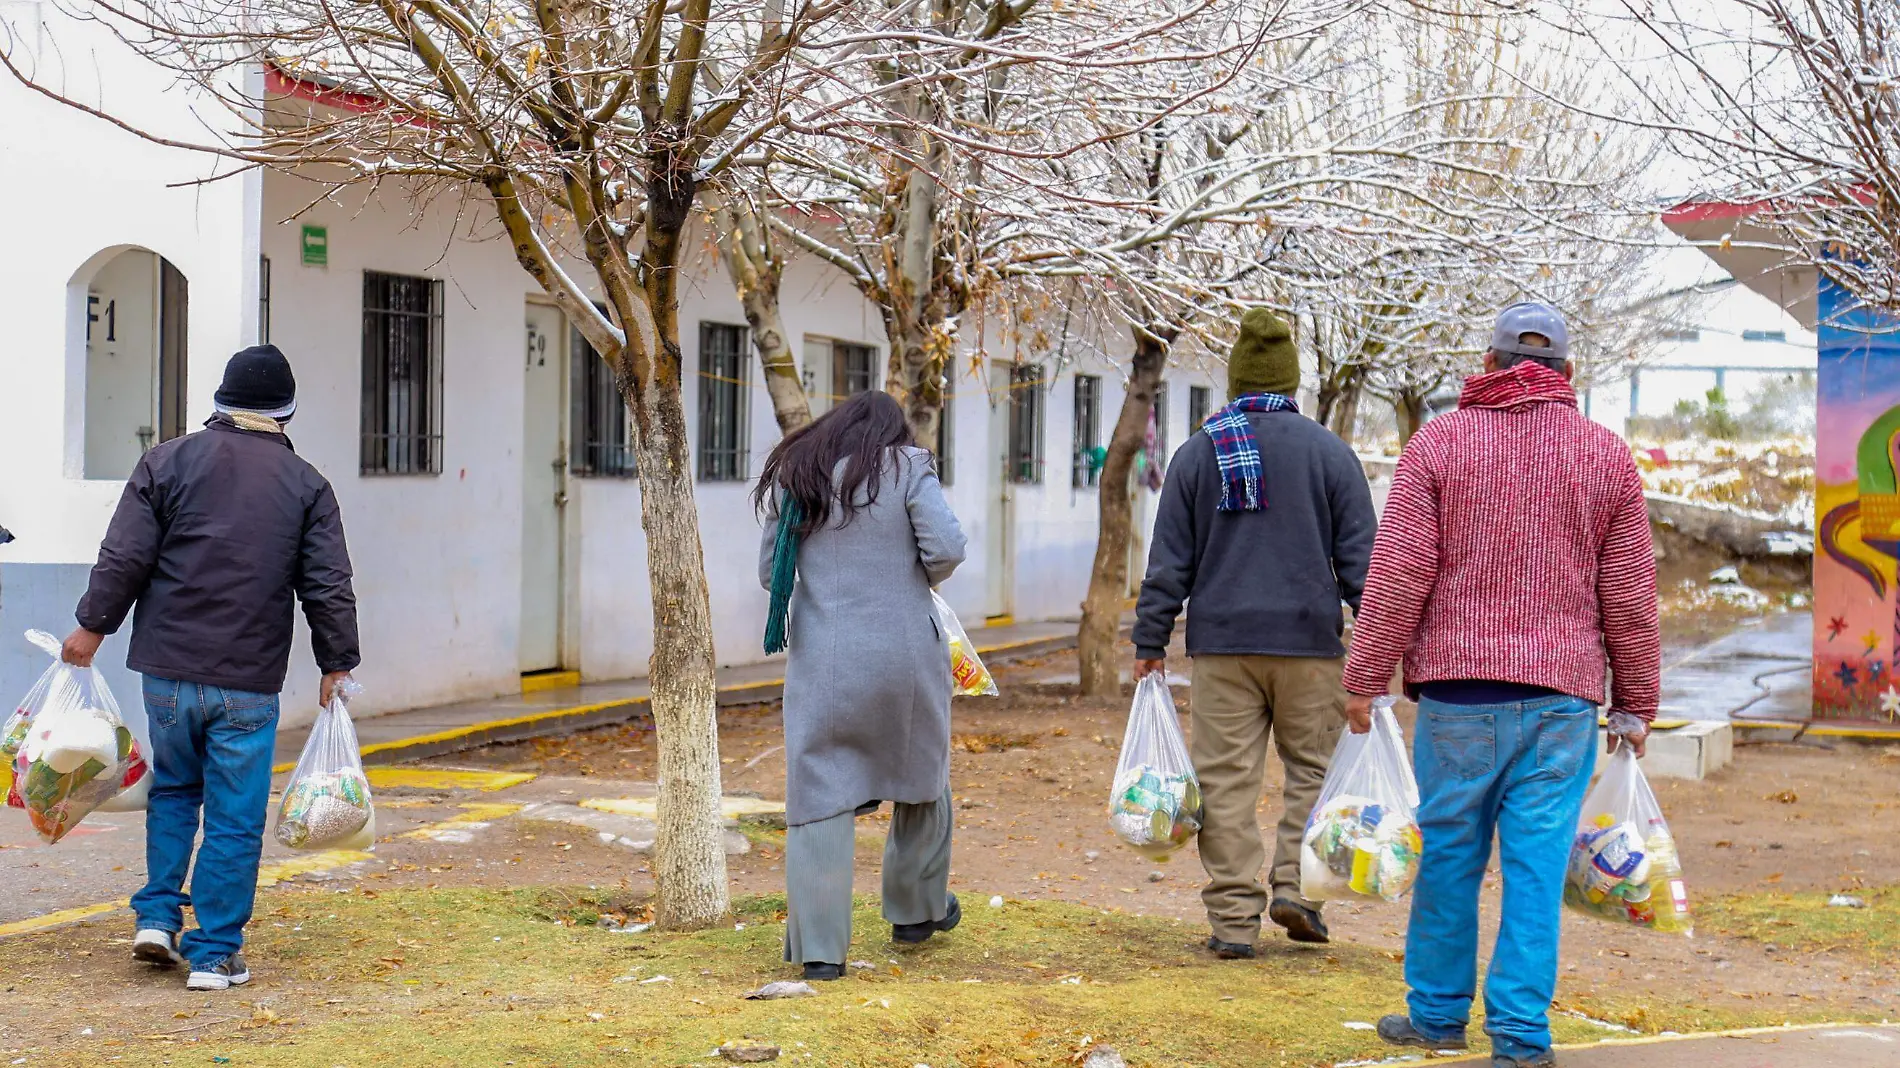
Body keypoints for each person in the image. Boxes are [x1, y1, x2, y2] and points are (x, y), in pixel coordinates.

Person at [1341, 303, 1660, 1068]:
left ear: (1486, 365)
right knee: (1536, 867)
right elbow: (1629, 596)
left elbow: (1398, 574)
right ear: (1568, 374)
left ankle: (1439, 1016)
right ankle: (1520, 1035)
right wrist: (1637, 703)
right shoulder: (1606, 458)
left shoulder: (1439, 445)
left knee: (1449, 856)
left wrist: (1365, 676)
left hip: (1457, 700)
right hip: (1563, 703)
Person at [61, 344, 359, 992]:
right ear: (287, 412)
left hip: (167, 671)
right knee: (233, 813)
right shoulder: (307, 485)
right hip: (247, 679)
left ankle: (157, 918)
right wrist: (337, 665)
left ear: (221, 403)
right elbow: (328, 585)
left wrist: (91, 627)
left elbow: (124, 557)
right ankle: (214, 953)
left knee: (172, 790)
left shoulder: (165, 461)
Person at [1132, 307, 1377, 957]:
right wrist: (1376, 655)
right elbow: (1363, 568)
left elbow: (1169, 561)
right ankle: (1296, 887)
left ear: (1235, 382)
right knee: (1315, 772)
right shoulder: (1331, 455)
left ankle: (1235, 921)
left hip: (1223, 648)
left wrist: (1150, 642)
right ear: (1291, 384)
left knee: (1225, 782)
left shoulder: (1198, 453)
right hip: (1310, 648)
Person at [755, 389, 967, 981]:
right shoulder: (908, 467)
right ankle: (916, 913)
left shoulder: (799, 474)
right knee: (923, 776)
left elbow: (770, 569)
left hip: (823, 661)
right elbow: (946, 548)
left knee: (819, 795)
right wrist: (912, 572)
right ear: (892, 432)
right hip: (906, 658)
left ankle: (822, 952)